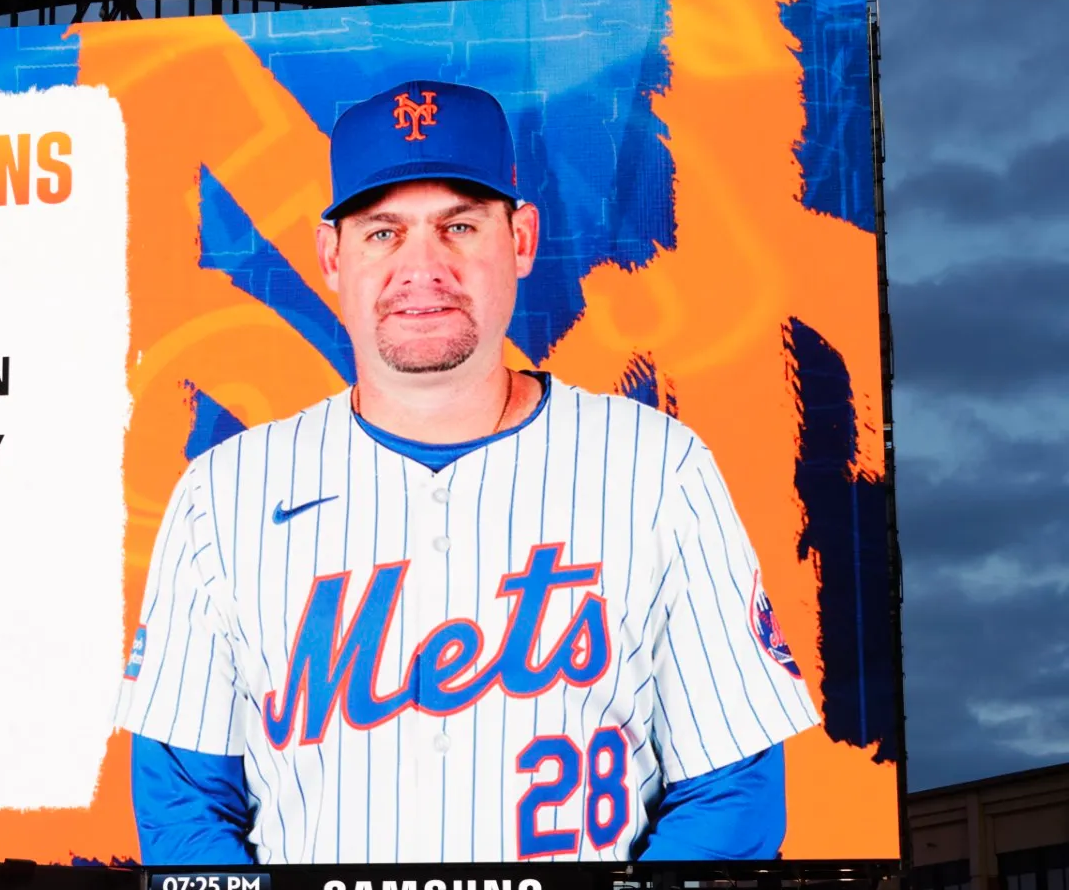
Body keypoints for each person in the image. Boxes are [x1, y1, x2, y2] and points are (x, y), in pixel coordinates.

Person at [114, 79, 820, 863]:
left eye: (459, 225)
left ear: (520, 239)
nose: (424, 266)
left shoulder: (656, 467)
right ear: (331, 256)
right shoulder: (224, 495)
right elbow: (182, 805)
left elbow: (734, 789)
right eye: (384, 232)